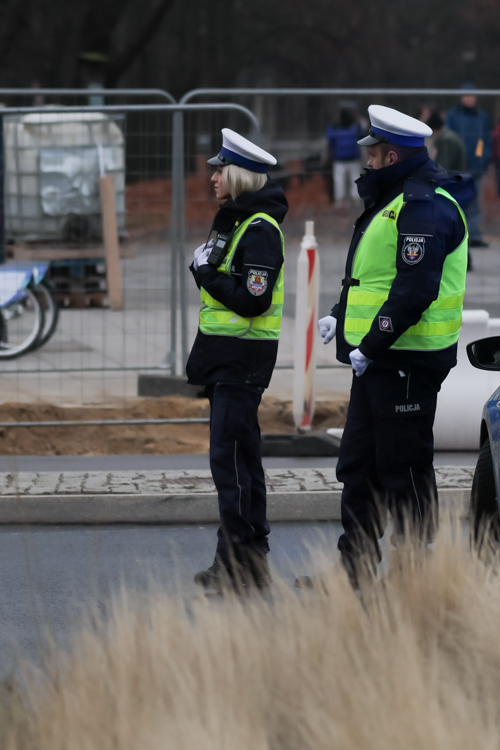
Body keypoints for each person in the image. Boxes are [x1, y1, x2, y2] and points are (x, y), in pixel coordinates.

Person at [300, 105, 473, 593]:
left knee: (403, 469)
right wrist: (339, 311)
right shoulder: (393, 200)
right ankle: (354, 570)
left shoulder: (423, 205)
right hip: (379, 361)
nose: (366, 164)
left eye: (372, 155)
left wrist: (372, 343)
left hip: (406, 361)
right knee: (358, 466)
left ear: (391, 155)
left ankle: (415, 576)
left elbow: (415, 289)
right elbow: (372, 277)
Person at [187, 129, 288, 592]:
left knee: (231, 463)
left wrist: (205, 272)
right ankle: (246, 559)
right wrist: (206, 272)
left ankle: (239, 563)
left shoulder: (260, 230)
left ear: (237, 176)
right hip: (228, 360)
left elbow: (253, 301)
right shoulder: (237, 222)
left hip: (241, 362)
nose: (211, 176)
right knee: (241, 459)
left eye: (218, 169)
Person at [446, 83, 491, 247]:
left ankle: (474, 235)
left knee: (475, 203)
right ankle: (458, 235)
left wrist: (482, 157)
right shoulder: (453, 116)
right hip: (458, 169)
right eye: (466, 95)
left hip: (476, 167)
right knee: (457, 202)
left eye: (472, 95)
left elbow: (484, 140)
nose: (469, 98)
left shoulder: (482, 116)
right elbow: (449, 139)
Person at [326, 102, 365, 206]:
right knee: (353, 179)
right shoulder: (355, 127)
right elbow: (362, 135)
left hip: (343, 159)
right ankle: (352, 200)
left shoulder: (335, 127)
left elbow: (330, 142)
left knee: (341, 180)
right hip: (349, 159)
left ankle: (341, 200)